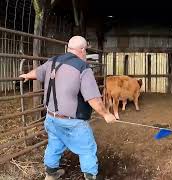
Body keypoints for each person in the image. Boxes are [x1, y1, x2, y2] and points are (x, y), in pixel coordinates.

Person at [19, 36, 116, 180]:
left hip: (51, 118)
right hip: (73, 122)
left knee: (54, 144)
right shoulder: (83, 68)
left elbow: (38, 72)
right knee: (87, 149)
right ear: (83, 50)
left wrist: (27, 75)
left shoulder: (53, 61)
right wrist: (106, 114)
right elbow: (93, 98)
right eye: (86, 50)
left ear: (69, 48)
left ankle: (51, 174)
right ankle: (90, 176)